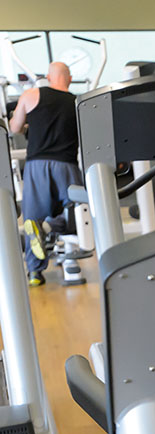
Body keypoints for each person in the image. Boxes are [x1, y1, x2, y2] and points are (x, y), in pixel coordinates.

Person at [6, 62, 82, 286]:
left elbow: (14, 128)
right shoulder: (77, 102)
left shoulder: (30, 95)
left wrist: (28, 124)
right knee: (79, 213)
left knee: (33, 218)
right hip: (66, 166)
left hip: (36, 166)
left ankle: (35, 273)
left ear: (49, 77)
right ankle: (49, 226)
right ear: (69, 78)